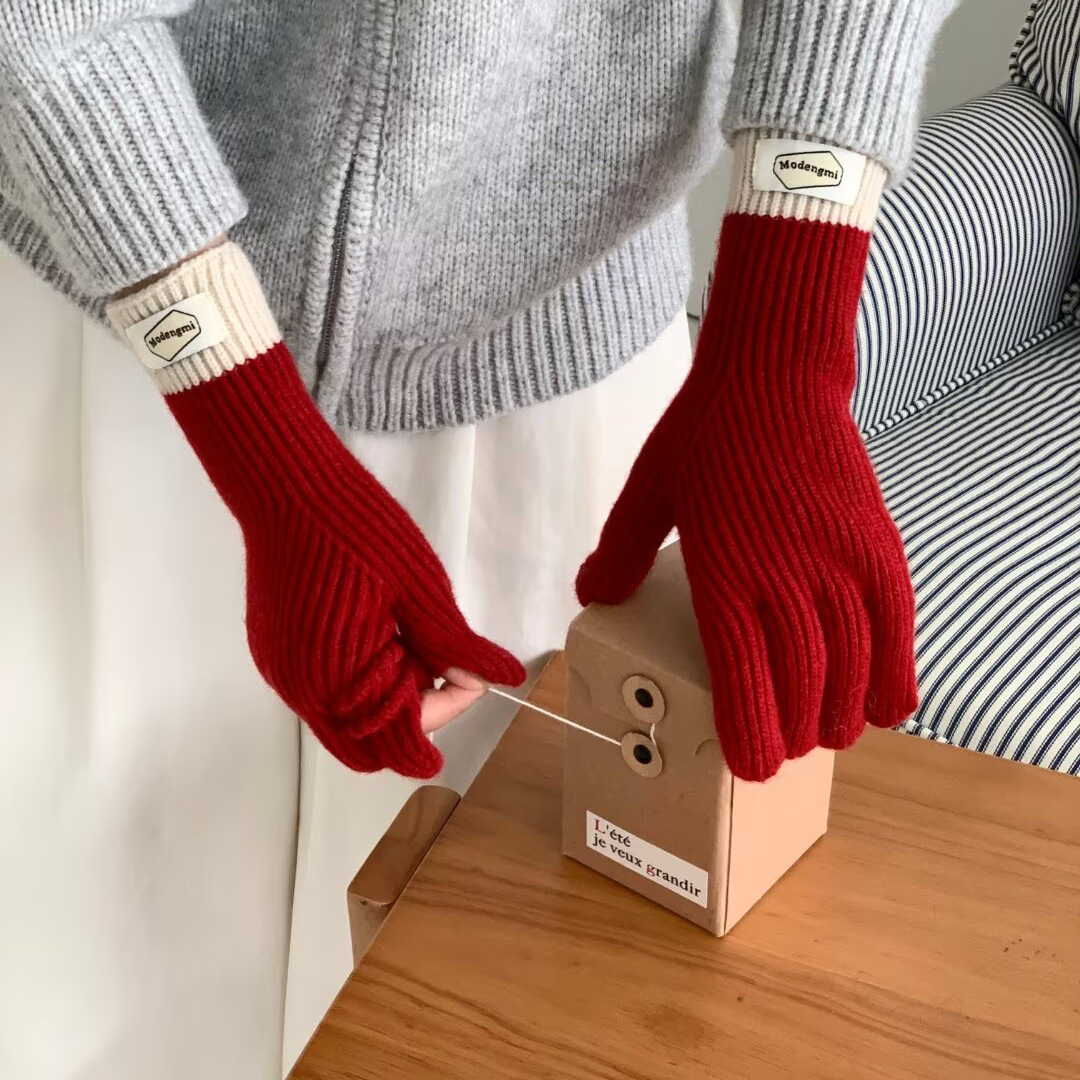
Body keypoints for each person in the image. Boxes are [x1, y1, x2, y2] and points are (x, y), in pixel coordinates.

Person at [0, 1, 957, 1076]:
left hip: (569, 338)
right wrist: (259, 441)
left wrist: (783, 339)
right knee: (90, 982)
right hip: (117, 299)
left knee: (515, 1005)